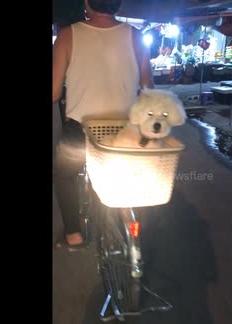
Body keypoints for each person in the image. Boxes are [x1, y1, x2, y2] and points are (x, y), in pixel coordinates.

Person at [52, 0, 154, 250]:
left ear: (87, 3)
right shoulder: (135, 36)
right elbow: (148, 88)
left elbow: (54, 93)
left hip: (82, 131)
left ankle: (74, 235)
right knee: (131, 174)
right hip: (125, 130)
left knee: (63, 174)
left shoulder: (68, 35)